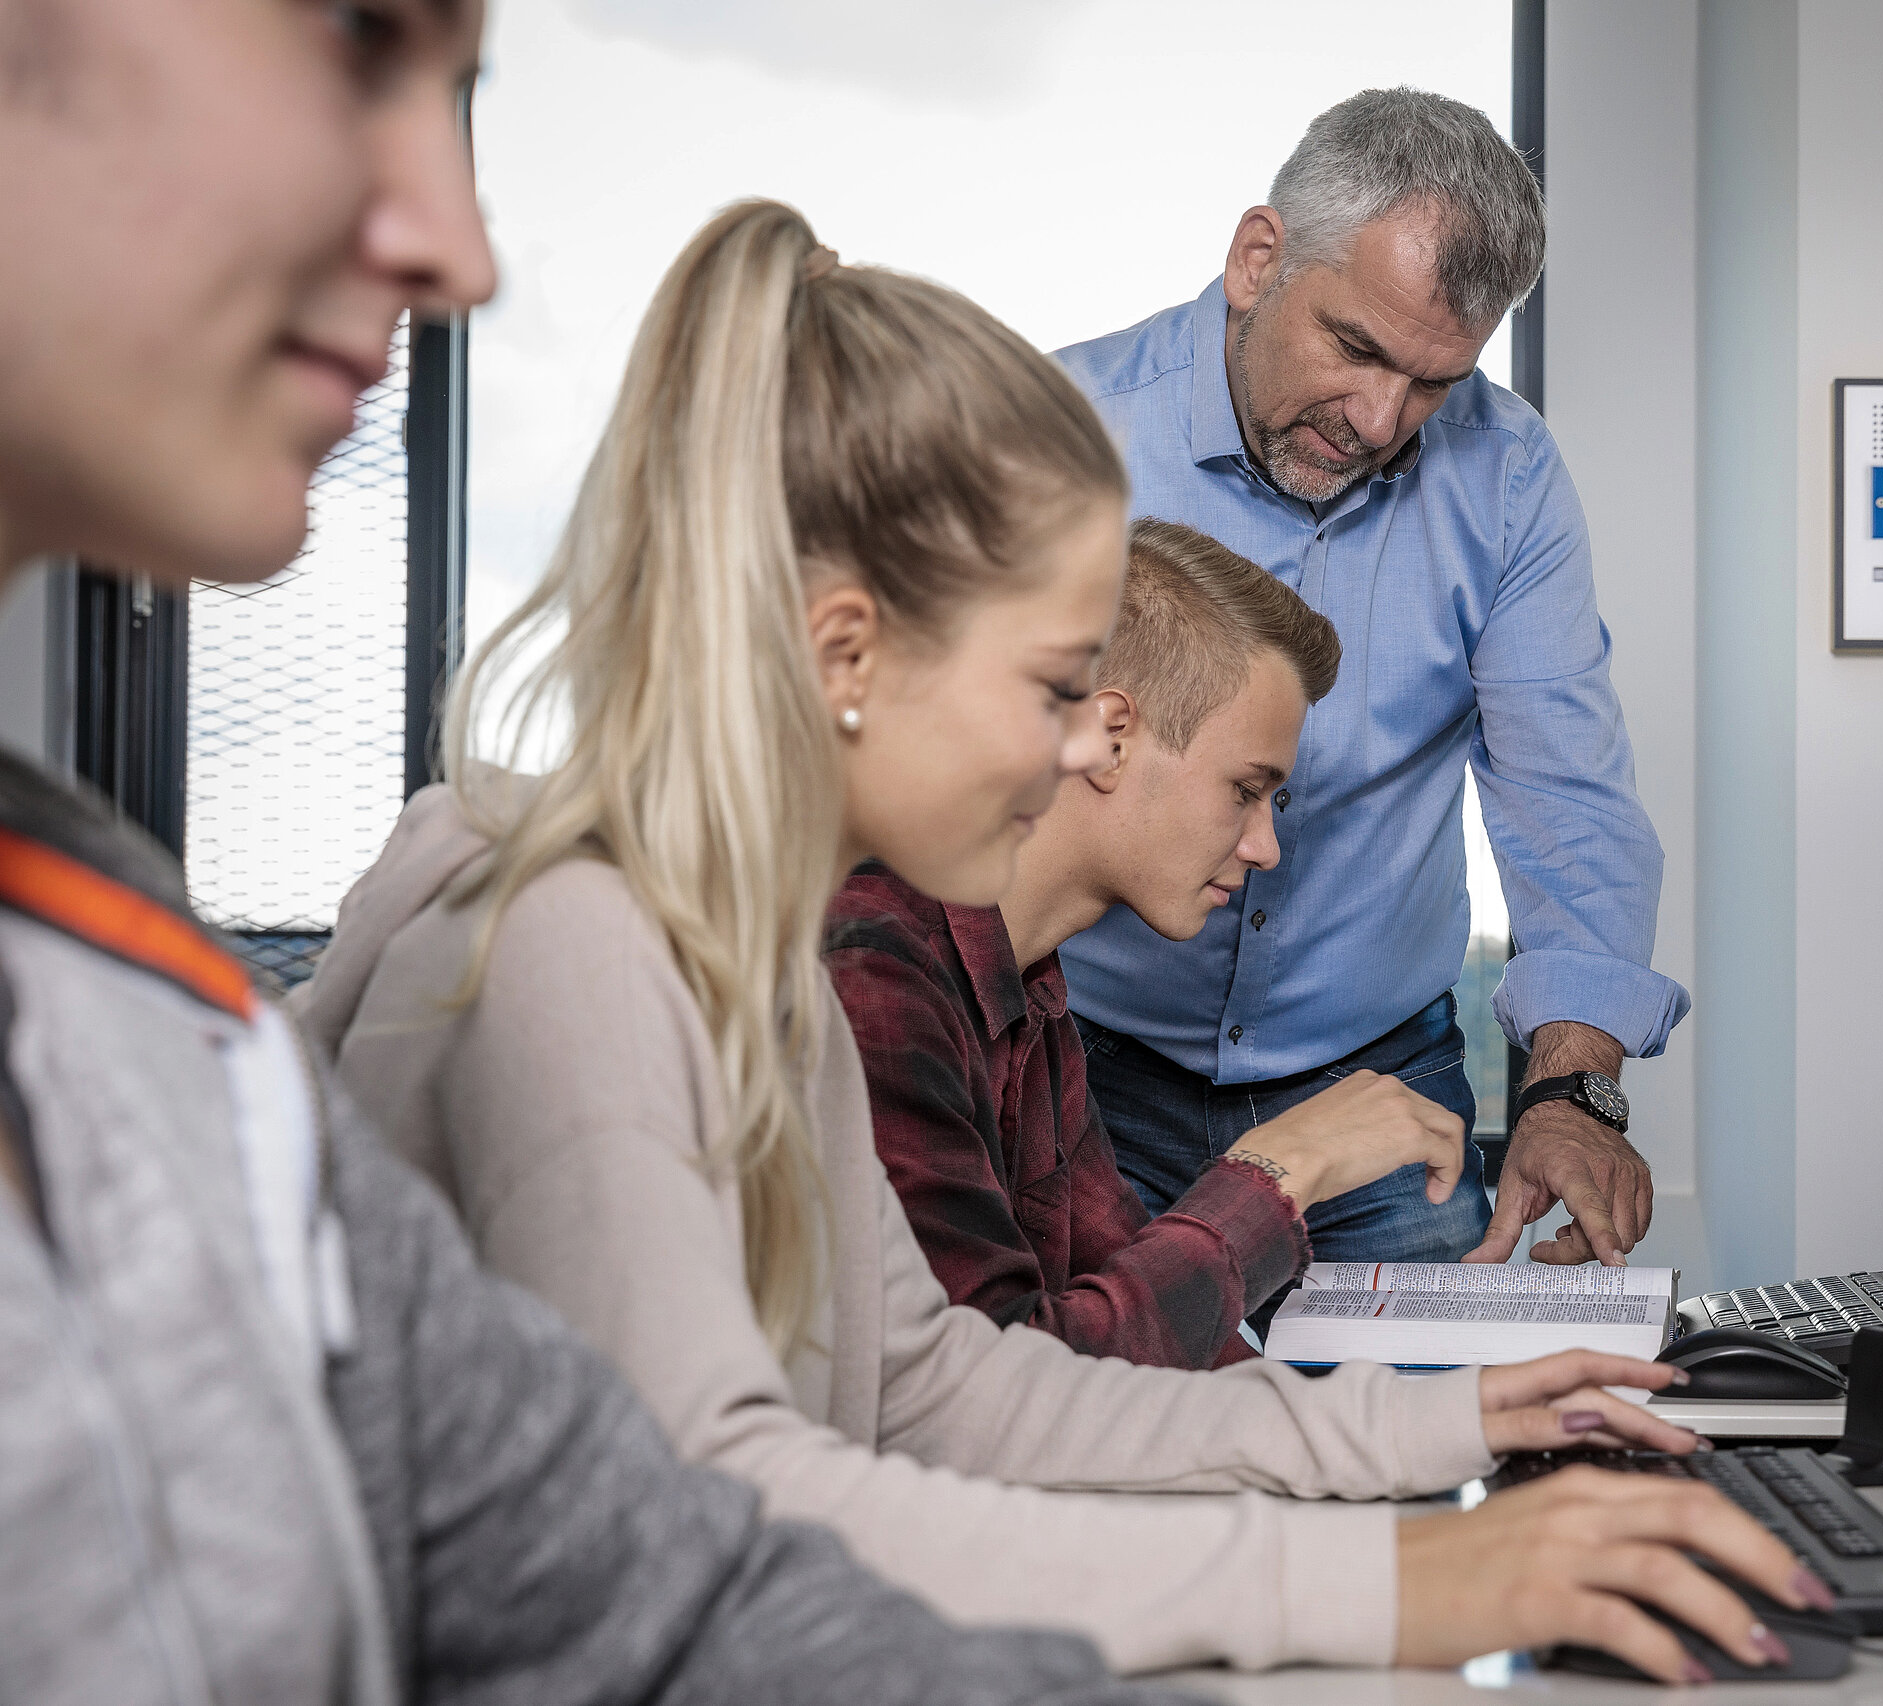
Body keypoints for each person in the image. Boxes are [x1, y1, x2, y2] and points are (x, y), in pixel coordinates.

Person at [300, 197, 1830, 1686]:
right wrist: (1385, 1580)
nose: (1066, 765)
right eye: (1051, 693)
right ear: (848, 655)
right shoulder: (584, 944)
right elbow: (727, 1507)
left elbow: (943, 1390)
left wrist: (1444, 1427)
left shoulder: (754, 966)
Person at [0, 3, 1180, 1704]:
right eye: (355, 41)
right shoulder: (569, 954)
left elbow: (671, 1586)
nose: (462, 256)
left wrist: (1408, 1532)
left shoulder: (168, 1028)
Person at [1054, 88, 1681, 1269]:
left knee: (1421, 1439)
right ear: (1258, 259)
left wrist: (1572, 1089)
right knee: (1085, 1421)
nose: (1381, 418)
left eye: (1434, 382)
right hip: (1080, 1063)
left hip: (1379, 1076)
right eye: (1355, 348)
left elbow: (1569, 798)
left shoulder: (1506, 477)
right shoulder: (1058, 433)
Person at [829, 517, 1467, 1369]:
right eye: (1246, 789)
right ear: (1111, 737)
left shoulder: (1036, 1000)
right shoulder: (873, 979)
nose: (1264, 848)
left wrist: (1445, 1431)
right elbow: (1009, 1391)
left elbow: (1150, 1344)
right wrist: (1283, 1168)